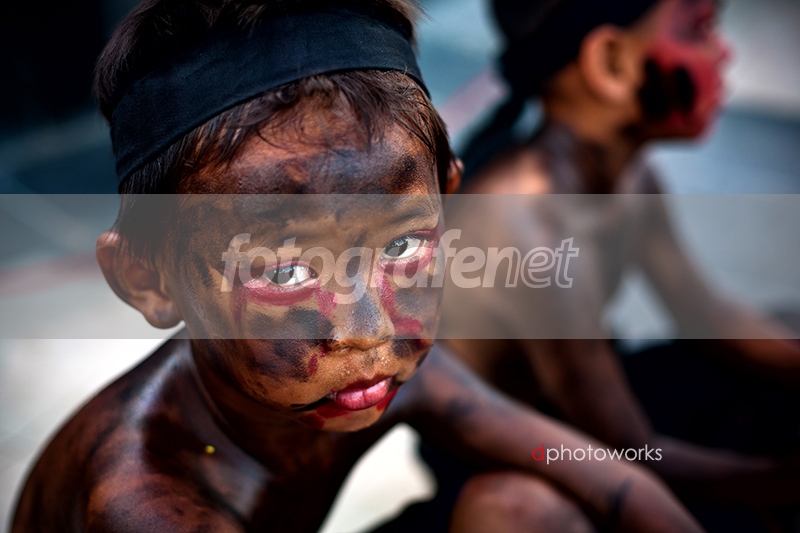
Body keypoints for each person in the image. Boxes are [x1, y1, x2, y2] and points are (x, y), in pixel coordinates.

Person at [10, 1, 705, 532]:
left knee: (523, 509)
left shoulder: (373, 362)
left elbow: (595, 468)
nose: (367, 329)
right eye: (285, 273)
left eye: (402, 247)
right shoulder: (141, 503)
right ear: (148, 278)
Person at [437, 0, 800, 531]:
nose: (723, 54)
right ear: (610, 62)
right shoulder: (531, 229)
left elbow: (710, 316)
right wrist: (778, 482)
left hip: (593, 412)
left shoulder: (630, 179)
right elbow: (628, 447)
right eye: (699, 30)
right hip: (528, 450)